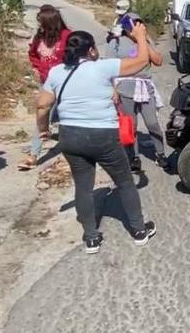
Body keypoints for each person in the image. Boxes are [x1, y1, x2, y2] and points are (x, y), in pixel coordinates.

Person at [36, 28, 157, 254]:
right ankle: (139, 231)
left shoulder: (56, 72)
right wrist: (140, 36)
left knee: (83, 187)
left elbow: (42, 105)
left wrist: (43, 130)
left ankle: (91, 238)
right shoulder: (102, 66)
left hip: (70, 136)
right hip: (103, 136)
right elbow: (142, 60)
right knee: (124, 182)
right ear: (91, 50)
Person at [109, 13, 167, 172]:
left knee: (152, 123)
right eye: (134, 24)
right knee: (131, 125)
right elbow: (110, 68)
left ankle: (160, 153)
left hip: (145, 87)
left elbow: (158, 61)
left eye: (139, 24)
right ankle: (133, 157)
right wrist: (113, 90)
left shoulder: (145, 41)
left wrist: (144, 41)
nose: (137, 27)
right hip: (124, 88)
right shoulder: (116, 42)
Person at [20, 5, 71, 171]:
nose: (39, 26)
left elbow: (75, 54)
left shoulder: (66, 36)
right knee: (42, 117)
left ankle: (70, 153)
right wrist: (38, 68)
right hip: (47, 83)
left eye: (42, 22)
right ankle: (34, 155)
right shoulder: (39, 38)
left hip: (66, 83)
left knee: (66, 118)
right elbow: (33, 54)